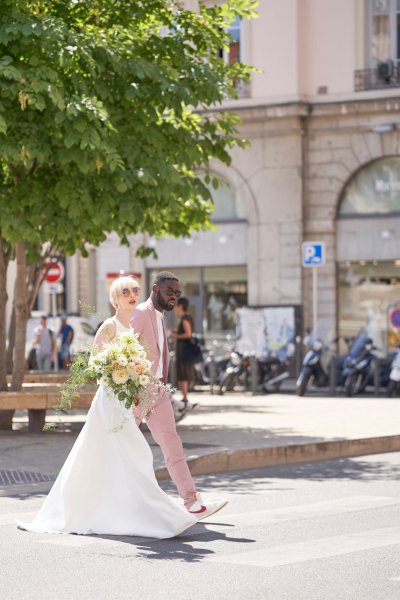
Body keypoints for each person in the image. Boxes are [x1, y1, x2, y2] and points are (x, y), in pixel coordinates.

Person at [17, 276, 196, 538]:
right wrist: (119, 368)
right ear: (115, 298)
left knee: (134, 455)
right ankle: (111, 508)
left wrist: (136, 373)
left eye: (135, 290)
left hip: (132, 396)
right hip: (111, 400)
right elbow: (95, 364)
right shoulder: (109, 327)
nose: (131, 294)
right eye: (125, 291)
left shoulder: (138, 322)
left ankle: (141, 508)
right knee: (107, 453)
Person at [131, 271, 227, 519]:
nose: (174, 297)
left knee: (173, 446)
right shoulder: (142, 312)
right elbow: (127, 350)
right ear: (155, 289)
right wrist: (132, 392)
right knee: (122, 446)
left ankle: (191, 501)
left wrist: (162, 384)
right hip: (138, 393)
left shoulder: (161, 316)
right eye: (169, 292)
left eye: (177, 293)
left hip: (158, 392)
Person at [171, 296, 198, 418]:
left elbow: (188, 334)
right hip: (182, 351)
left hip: (184, 351)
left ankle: (185, 399)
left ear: (181, 306)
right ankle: (184, 398)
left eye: (177, 305)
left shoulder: (185, 318)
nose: (175, 308)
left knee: (183, 375)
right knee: (182, 375)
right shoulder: (185, 317)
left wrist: (176, 335)